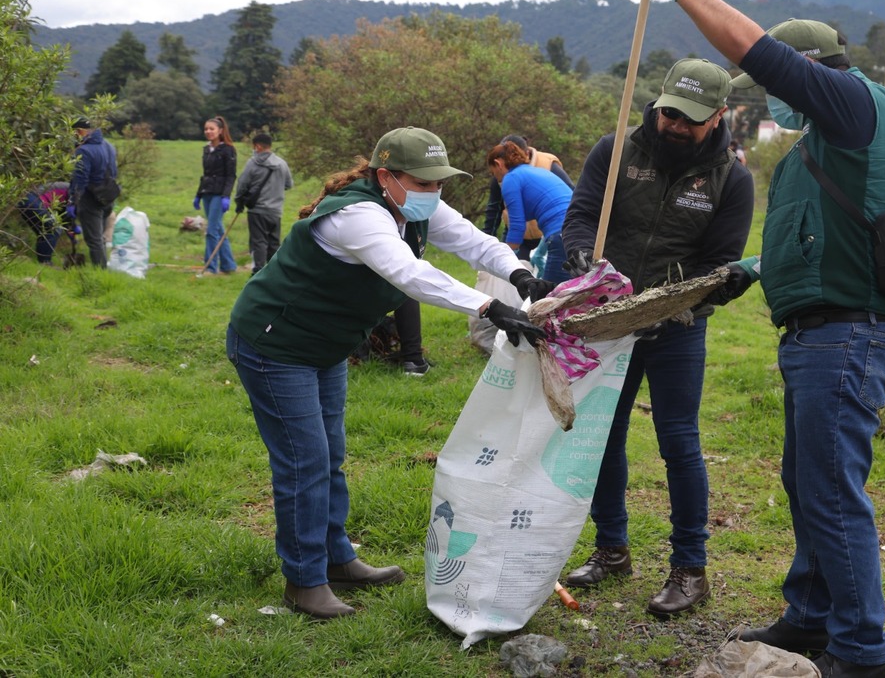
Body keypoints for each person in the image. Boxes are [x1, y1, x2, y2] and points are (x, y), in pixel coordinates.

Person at [639, 0, 885, 675]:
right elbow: (845, 224)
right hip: (827, 330)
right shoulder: (841, 133)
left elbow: (751, 46)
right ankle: (812, 617)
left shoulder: (850, 102)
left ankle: (862, 653)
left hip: (846, 334)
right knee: (809, 483)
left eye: (778, 83)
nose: (772, 99)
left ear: (811, 71)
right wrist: (757, 268)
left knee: (831, 493)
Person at [226, 127, 550, 620]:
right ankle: (304, 581)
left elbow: (475, 242)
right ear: (385, 177)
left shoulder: (413, 206)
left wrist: (519, 273)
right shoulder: (358, 216)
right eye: (423, 183)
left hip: (325, 346)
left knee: (330, 455)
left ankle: (336, 559)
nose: (433, 192)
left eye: (438, 182)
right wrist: (488, 306)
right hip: (276, 344)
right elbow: (410, 274)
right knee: (304, 461)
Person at [558, 57, 754, 617]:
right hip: (609, 320)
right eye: (670, 113)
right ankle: (612, 549)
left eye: (690, 118)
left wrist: (679, 304)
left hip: (677, 328)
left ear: (718, 115)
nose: (675, 125)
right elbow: (581, 215)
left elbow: (719, 264)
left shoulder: (732, 180)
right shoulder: (615, 151)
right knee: (604, 433)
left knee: (678, 442)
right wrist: (580, 253)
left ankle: (690, 568)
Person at [485, 140, 574, 285]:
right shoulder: (536, 171)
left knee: (550, 294)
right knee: (576, 290)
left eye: (492, 171)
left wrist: (502, 257)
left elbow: (517, 226)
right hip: (579, 229)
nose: (494, 176)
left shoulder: (511, 179)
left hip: (561, 235)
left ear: (498, 164)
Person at [234, 132, 294, 274]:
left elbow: (242, 184)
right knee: (274, 243)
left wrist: (239, 202)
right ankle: (275, 273)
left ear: (258, 146)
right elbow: (289, 184)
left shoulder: (253, 163)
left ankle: (258, 272)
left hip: (257, 210)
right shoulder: (282, 163)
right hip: (276, 211)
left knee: (258, 242)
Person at [69, 118, 118, 268]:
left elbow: (80, 179)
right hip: (108, 196)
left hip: (91, 199)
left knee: (94, 239)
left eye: (75, 132)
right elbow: (114, 172)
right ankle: (103, 267)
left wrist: (73, 201)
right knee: (100, 236)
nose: (74, 136)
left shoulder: (83, 151)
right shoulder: (108, 145)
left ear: (81, 131)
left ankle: (101, 272)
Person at [193, 115, 238, 275]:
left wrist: (226, 196)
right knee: (218, 229)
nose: (208, 131)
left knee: (211, 230)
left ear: (220, 131)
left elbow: (231, 176)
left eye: (211, 129)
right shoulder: (206, 149)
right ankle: (229, 266)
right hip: (207, 192)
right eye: (206, 129)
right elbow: (205, 174)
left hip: (219, 194)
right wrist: (198, 195)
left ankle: (210, 268)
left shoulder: (228, 150)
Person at [17, 182, 70, 265]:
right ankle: (45, 262)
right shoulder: (73, 188)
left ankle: (42, 262)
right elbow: (68, 209)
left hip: (28, 200)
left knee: (45, 232)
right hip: (34, 200)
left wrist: (70, 229)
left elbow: (62, 214)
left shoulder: (71, 192)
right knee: (53, 230)